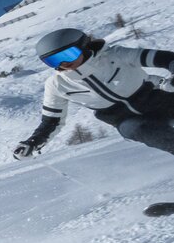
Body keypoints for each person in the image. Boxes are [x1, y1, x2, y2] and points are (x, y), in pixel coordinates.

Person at [14, 27, 174, 159]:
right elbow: (51, 122)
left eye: (68, 55)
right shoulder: (57, 85)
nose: (64, 63)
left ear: (83, 46)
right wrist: (33, 142)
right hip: (128, 120)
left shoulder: (115, 55)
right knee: (136, 129)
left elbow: (166, 59)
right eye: (54, 61)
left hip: (161, 101)